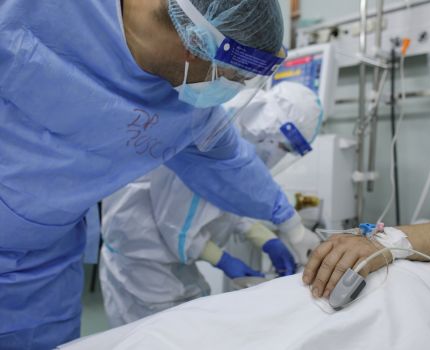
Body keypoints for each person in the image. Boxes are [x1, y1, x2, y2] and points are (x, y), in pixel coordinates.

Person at [0, 0, 314, 348]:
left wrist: (287, 221)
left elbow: (228, 162)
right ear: (196, 43)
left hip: (44, 267)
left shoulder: (186, 108)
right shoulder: (31, 10)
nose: (228, 87)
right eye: (229, 76)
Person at [100, 82, 323, 327]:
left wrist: (265, 239)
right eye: (283, 146)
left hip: (164, 254)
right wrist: (224, 260)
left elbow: (225, 197)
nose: (279, 154)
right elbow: (175, 224)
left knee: (191, 315)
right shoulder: (209, 138)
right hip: (143, 257)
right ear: (269, 128)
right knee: (158, 332)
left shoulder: (233, 132)